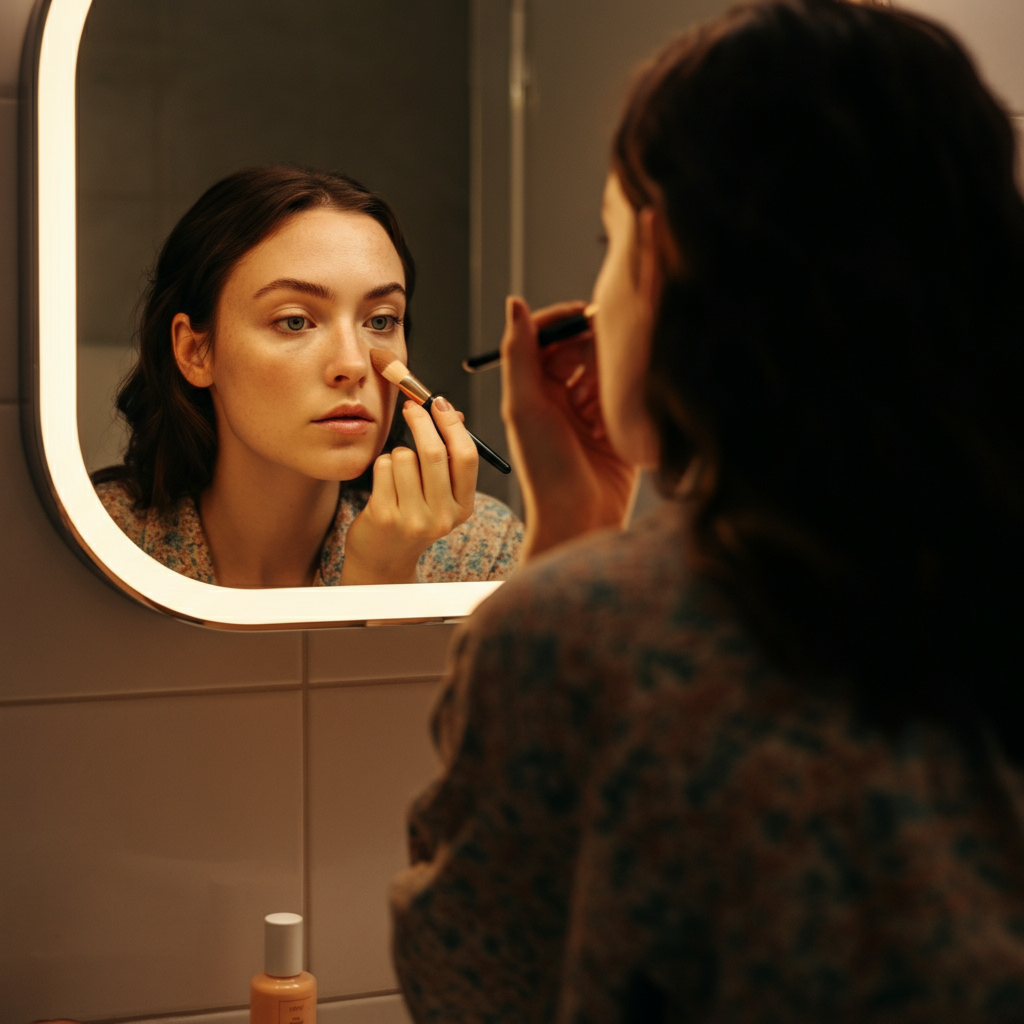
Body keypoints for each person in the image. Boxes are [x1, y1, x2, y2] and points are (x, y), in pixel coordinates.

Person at [389, 1, 1024, 1020]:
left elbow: (473, 985)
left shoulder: (585, 635)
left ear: (664, 255)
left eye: (607, 239)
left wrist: (562, 554)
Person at [95, 166, 522, 587]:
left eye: (380, 321)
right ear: (195, 352)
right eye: (295, 321)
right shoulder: (101, 541)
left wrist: (384, 580)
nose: (353, 365)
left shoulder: (479, 551)